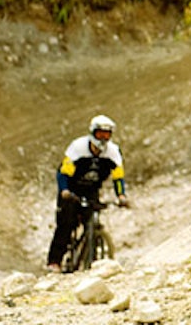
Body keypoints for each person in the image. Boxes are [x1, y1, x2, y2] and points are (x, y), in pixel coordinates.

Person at [46, 114, 129, 272]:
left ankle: (91, 255)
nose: (104, 138)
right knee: (66, 224)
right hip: (71, 189)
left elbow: (118, 177)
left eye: (107, 134)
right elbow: (64, 172)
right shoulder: (78, 147)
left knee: (91, 219)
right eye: (100, 134)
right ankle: (54, 261)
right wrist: (64, 190)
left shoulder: (112, 152)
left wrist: (121, 196)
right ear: (93, 133)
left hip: (91, 189)